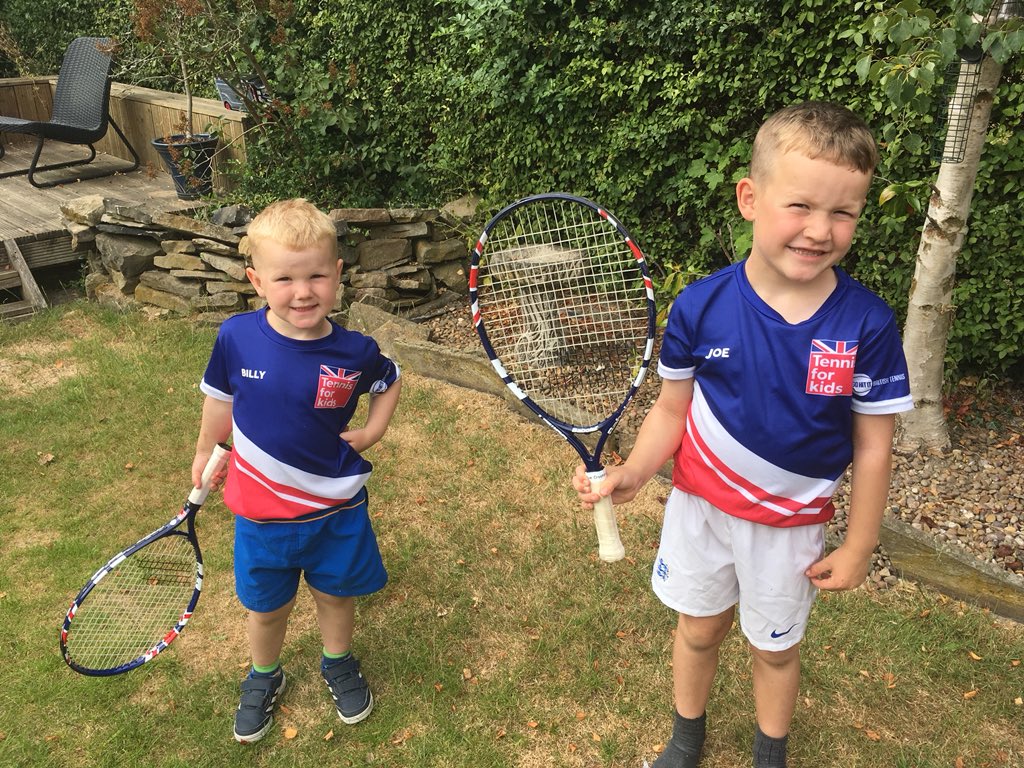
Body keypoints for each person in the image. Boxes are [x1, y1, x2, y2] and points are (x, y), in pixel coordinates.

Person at [573, 101, 913, 767]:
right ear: (750, 198)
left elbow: (874, 447)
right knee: (698, 634)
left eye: (843, 213)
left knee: (774, 650)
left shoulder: (868, 324)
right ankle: (685, 739)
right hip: (701, 513)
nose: (820, 230)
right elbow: (672, 411)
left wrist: (861, 543)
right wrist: (634, 473)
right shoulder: (701, 305)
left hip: (788, 530)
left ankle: (769, 754)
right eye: (801, 206)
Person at [192, 198, 402, 744]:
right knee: (267, 609)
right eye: (284, 278)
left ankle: (338, 660)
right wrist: (205, 453)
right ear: (256, 280)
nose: (302, 291)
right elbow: (219, 402)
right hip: (261, 515)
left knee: (336, 595)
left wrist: (375, 429)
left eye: (315, 275)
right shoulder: (236, 337)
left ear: (337, 275)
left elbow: (390, 380)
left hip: (335, 508)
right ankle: (265, 674)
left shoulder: (356, 351)